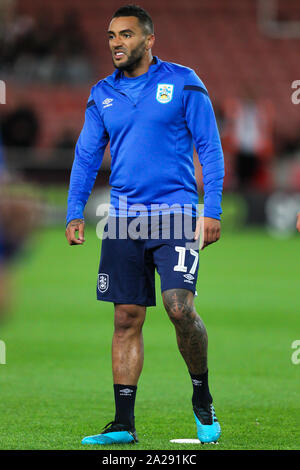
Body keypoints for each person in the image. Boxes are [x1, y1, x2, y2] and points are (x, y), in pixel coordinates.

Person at [66, 5, 224, 445]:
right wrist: (74, 210)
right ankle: (123, 424)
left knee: (179, 308)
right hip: (123, 221)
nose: (116, 42)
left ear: (149, 40)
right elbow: (85, 156)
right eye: (111, 35)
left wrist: (212, 210)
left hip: (175, 214)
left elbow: (209, 148)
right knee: (126, 318)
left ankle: (202, 397)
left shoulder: (183, 82)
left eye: (126, 35)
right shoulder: (101, 94)